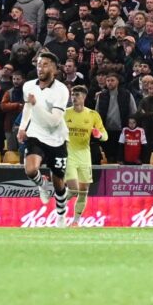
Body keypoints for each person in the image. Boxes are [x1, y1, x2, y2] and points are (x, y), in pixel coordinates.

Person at [18, 53, 74, 218]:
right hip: (35, 134)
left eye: (45, 65)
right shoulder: (28, 86)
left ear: (55, 69)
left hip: (57, 138)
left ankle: (61, 215)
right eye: (38, 64)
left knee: (59, 184)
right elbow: (27, 107)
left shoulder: (61, 90)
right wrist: (23, 127)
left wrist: (36, 105)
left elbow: (54, 122)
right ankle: (43, 186)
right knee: (30, 170)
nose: (40, 68)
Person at [60, 84, 107, 221]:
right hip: (68, 154)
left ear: (84, 97)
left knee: (83, 192)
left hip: (85, 156)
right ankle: (59, 204)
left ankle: (75, 221)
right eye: (72, 95)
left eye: (77, 95)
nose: (74, 98)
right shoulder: (65, 113)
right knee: (73, 189)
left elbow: (105, 135)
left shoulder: (92, 115)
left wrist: (99, 135)